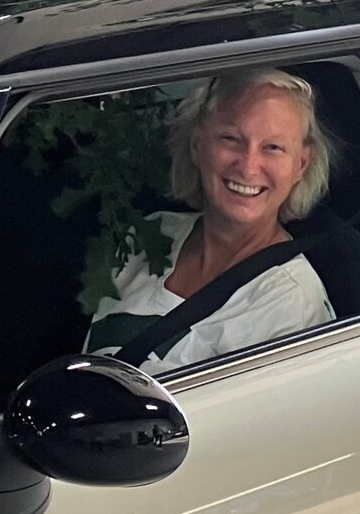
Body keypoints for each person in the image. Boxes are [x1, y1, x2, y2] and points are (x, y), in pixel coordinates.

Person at [85, 69, 338, 371]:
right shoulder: (146, 236)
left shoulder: (292, 304)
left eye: (273, 147)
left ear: (301, 164)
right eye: (231, 139)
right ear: (197, 144)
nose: (248, 166)